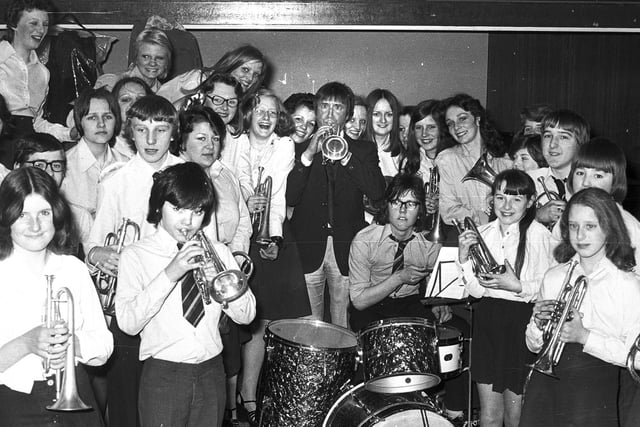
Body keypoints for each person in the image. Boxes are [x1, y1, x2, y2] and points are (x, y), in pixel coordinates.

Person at [116, 162, 256, 427]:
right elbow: (128, 323)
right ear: (159, 206)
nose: (188, 221)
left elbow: (247, 316)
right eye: (178, 209)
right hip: (163, 374)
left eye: (198, 211)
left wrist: (218, 278)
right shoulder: (136, 255)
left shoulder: (220, 252)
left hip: (212, 372)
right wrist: (171, 272)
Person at [86, 94, 183, 427]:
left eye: (161, 129)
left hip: (174, 301)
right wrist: (96, 253)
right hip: (128, 301)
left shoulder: (189, 175)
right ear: (130, 132)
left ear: (175, 131)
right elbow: (95, 239)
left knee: (170, 402)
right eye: (142, 130)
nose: (151, 140)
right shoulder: (116, 179)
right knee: (126, 399)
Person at [349, 173, 471, 421]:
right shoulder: (364, 240)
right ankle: (373, 413)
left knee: (458, 331)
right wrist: (398, 278)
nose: (403, 211)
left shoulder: (429, 242)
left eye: (411, 204)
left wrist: (440, 302)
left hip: (409, 302)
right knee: (384, 340)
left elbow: (437, 280)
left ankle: (453, 412)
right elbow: (359, 300)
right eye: (397, 203)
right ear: (387, 206)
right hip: (372, 303)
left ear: (421, 209)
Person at [0, 167, 113, 425]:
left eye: (43, 213)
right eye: (22, 215)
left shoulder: (74, 268)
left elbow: (104, 346)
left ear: (56, 214)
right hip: (13, 405)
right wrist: (28, 343)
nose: (35, 225)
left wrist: (73, 342)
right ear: (6, 218)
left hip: (77, 398)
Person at [521, 188, 640, 426]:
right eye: (574, 226)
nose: (580, 235)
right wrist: (537, 324)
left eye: (590, 226)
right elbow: (533, 346)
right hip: (546, 385)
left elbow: (636, 359)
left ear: (608, 227)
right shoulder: (555, 276)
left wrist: (584, 336)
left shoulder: (627, 284)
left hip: (596, 390)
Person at [236, 88, 311, 425]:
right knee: (234, 323)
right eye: (258, 110)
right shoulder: (232, 142)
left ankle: (251, 396)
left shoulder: (283, 146)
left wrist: (274, 237)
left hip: (269, 235)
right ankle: (231, 398)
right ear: (247, 114)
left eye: (271, 111)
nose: (265, 117)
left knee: (263, 322)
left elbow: (277, 194)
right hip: (236, 236)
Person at [457, 169, 554, 427]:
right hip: (488, 322)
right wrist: (464, 258)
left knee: (515, 416)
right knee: (489, 415)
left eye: (516, 199)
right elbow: (476, 291)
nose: (506, 206)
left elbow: (548, 288)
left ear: (531, 202)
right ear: (492, 200)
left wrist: (516, 285)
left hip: (521, 324)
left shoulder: (539, 235)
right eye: (500, 198)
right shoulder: (483, 232)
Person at [287, 81, 386, 329]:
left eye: (338, 108)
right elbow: (289, 198)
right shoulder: (296, 147)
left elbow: (377, 192)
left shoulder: (364, 150)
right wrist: (309, 155)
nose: (330, 115)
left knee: (342, 325)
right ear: (317, 110)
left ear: (347, 113)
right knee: (311, 325)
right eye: (324, 107)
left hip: (346, 246)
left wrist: (347, 157)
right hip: (308, 246)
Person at [61, 88, 128, 251]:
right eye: (92, 117)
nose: (101, 124)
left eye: (108, 117)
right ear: (80, 122)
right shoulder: (64, 166)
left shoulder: (126, 165)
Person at [0, 0, 75, 142]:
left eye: (45, 24)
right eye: (34, 23)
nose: (41, 30)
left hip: (27, 146)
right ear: (13, 24)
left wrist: (69, 134)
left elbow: (36, 124)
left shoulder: (43, 73)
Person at [435, 93, 512, 226]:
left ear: (477, 119)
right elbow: (449, 210)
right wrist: (488, 220)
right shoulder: (447, 159)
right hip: (470, 233)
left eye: (462, 119)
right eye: (450, 123)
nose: (456, 127)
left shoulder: (505, 161)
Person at [528, 109, 590, 227]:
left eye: (563, 137)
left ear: (580, 143)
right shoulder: (528, 179)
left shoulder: (591, 183)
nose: (552, 144)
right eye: (547, 136)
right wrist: (536, 216)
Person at [158, 45, 267, 106]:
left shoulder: (239, 97)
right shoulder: (199, 79)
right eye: (245, 69)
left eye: (256, 74)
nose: (250, 78)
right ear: (232, 65)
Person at [95, 28, 172, 93]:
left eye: (159, 58)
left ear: (167, 62)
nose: (152, 63)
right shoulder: (110, 84)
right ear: (136, 59)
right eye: (146, 56)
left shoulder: (165, 94)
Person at [365, 89, 405, 177]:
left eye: (389, 114)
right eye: (376, 114)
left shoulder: (403, 152)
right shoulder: (356, 150)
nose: (383, 120)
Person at [111, 76, 153, 158]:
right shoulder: (105, 144)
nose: (133, 104)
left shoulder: (157, 142)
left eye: (140, 99)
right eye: (126, 99)